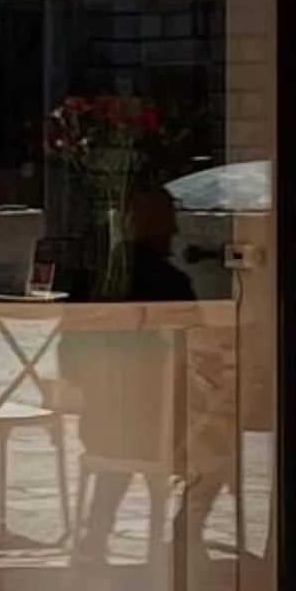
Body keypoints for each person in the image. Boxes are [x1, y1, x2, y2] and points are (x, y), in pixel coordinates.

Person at [72, 180, 195, 557]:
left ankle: (96, 533)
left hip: (101, 426)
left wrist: (96, 394)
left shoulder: (95, 282)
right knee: (219, 450)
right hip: (162, 429)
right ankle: (188, 530)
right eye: (168, 219)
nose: (175, 230)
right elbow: (199, 353)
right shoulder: (173, 284)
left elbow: (70, 353)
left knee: (124, 441)